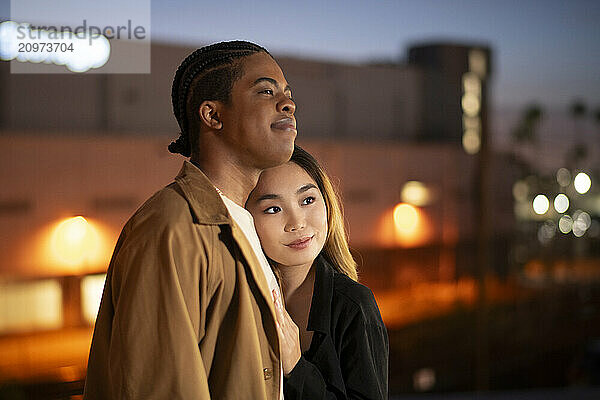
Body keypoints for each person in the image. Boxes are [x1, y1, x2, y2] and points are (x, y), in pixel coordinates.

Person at [83, 41, 296, 399]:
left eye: (287, 94)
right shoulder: (171, 227)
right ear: (212, 116)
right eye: (266, 91)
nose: (288, 103)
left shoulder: (242, 225)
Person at [246, 146, 389, 399]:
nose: (297, 222)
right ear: (247, 219)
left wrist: (296, 368)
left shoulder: (354, 305)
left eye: (307, 200)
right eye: (273, 209)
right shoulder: (244, 298)